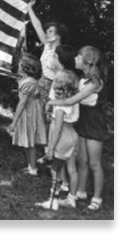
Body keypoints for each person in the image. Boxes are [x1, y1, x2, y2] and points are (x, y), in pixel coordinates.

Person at [46, 46, 110, 211]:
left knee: (95, 163)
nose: (75, 58)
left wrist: (51, 102)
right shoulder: (83, 79)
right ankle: (80, 192)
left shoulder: (95, 82)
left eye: (78, 56)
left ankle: (97, 198)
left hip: (95, 123)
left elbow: (70, 101)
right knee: (82, 160)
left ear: (87, 61)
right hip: (82, 121)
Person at [35, 69, 80, 210]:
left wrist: (51, 149)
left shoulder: (60, 105)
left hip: (62, 138)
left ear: (59, 85)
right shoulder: (74, 99)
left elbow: (58, 129)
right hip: (73, 134)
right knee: (72, 169)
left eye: (55, 80)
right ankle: (72, 198)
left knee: (55, 170)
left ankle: (52, 201)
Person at [8, 53, 46, 175]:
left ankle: (33, 168)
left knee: (30, 142)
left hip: (29, 114)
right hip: (28, 113)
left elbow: (22, 103)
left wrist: (14, 122)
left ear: (26, 67)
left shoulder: (29, 83)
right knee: (28, 141)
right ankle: (30, 166)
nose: (17, 65)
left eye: (20, 64)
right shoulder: (27, 80)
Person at [27, 0, 68, 106]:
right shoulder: (47, 46)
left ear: (58, 36)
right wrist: (29, 8)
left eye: (50, 31)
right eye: (47, 31)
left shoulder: (62, 52)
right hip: (42, 83)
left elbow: (63, 75)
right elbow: (37, 26)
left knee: (49, 115)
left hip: (54, 87)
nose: (46, 33)